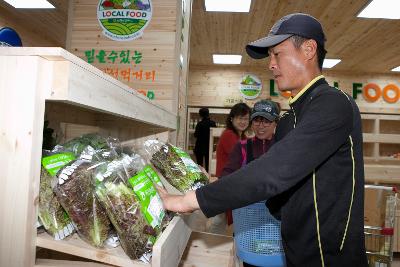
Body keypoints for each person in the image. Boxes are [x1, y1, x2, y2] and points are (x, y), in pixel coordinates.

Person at [159, 13, 367, 266]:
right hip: (293, 253)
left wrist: (189, 200)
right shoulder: (290, 120)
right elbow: (276, 191)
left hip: (333, 258)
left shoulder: (334, 103)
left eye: (277, 54)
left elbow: (275, 170)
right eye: (270, 56)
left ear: (309, 50)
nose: (271, 64)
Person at [222, 100, 279, 267]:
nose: (260, 125)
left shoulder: (283, 146)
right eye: (256, 120)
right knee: (250, 260)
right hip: (248, 222)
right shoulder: (242, 147)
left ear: (275, 122)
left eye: (266, 120)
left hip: (276, 224)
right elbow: (226, 176)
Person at [208, 102, 251, 234]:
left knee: (221, 218)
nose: (243, 122)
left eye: (246, 118)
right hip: (225, 183)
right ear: (232, 119)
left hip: (231, 182)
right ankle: (211, 245)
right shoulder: (229, 135)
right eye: (240, 118)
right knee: (218, 220)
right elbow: (243, 160)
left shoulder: (242, 136)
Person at [193, 107, 216, 172]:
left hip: (199, 147)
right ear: (208, 114)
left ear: (200, 115)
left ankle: (200, 178)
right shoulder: (213, 123)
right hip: (209, 147)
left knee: (199, 165)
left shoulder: (199, 124)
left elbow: (195, 135)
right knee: (208, 165)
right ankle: (208, 179)